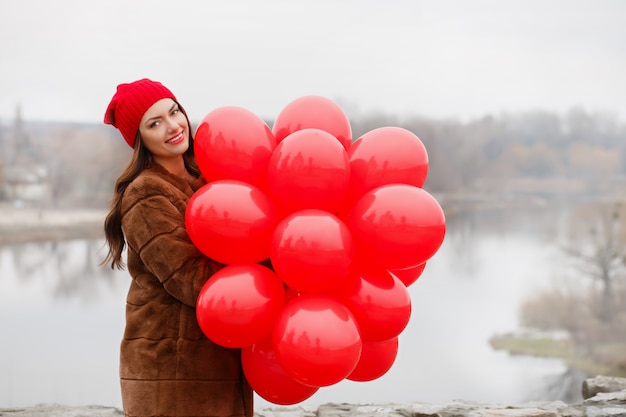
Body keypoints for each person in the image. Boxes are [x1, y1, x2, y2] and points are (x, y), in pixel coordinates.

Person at [102, 78, 253, 417]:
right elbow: (191, 279)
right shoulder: (146, 194)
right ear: (140, 139)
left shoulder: (207, 177)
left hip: (218, 357)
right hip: (172, 370)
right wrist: (264, 266)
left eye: (174, 112)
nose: (172, 126)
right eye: (155, 123)